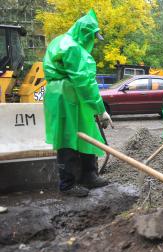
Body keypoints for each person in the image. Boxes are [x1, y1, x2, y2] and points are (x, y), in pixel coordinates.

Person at [43, 9, 113, 197]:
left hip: (72, 94)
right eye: (91, 36)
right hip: (65, 96)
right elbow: (83, 81)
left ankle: (89, 175)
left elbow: (84, 81)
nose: (92, 41)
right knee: (68, 138)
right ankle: (68, 184)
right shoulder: (71, 47)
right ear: (84, 33)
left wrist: (96, 108)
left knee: (87, 133)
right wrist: (100, 109)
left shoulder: (64, 42)